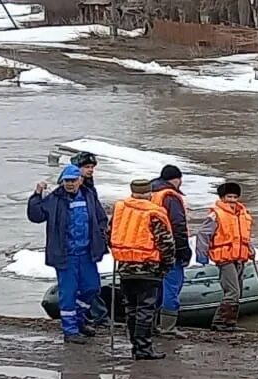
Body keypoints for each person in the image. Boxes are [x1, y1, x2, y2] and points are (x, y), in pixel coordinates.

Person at [27, 164, 109, 344]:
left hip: (87, 253)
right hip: (66, 255)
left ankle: (80, 319)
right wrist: (36, 195)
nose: (70, 184)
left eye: (73, 180)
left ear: (80, 180)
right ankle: (70, 330)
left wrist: (102, 237)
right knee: (68, 292)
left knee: (92, 288)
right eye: (67, 181)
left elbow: (101, 218)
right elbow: (36, 216)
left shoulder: (89, 195)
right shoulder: (55, 198)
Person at [109, 179, 176, 360]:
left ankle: (135, 345)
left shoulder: (119, 209)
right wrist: (167, 265)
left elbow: (109, 234)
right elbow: (166, 243)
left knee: (131, 308)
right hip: (149, 267)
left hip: (125, 266)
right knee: (145, 309)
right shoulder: (154, 213)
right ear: (149, 193)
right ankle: (143, 348)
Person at [196, 181, 253, 332]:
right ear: (222, 198)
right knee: (232, 291)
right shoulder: (216, 215)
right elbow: (203, 235)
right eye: (229, 197)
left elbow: (244, 236)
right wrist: (202, 255)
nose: (232, 200)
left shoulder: (243, 214)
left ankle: (230, 323)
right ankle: (220, 322)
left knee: (238, 290)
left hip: (239, 257)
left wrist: (250, 249)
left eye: (235, 197)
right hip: (225, 258)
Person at [70, 150, 110, 327]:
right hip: (76, 247)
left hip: (90, 244)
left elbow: (97, 214)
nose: (90, 170)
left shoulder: (89, 189)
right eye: (87, 167)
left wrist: (103, 230)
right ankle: (90, 316)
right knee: (83, 284)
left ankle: (91, 315)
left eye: (92, 167)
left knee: (91, 284)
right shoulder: (72, 191)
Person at [150, 164, 191, 336]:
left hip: (151, 250)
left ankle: (150, 325)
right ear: (177, 179)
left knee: (154, 288)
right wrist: (184, 251)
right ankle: (168, 327)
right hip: (169, 250)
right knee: (172, 287)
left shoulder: (150, 193)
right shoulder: (171, 197)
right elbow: (178, 226)